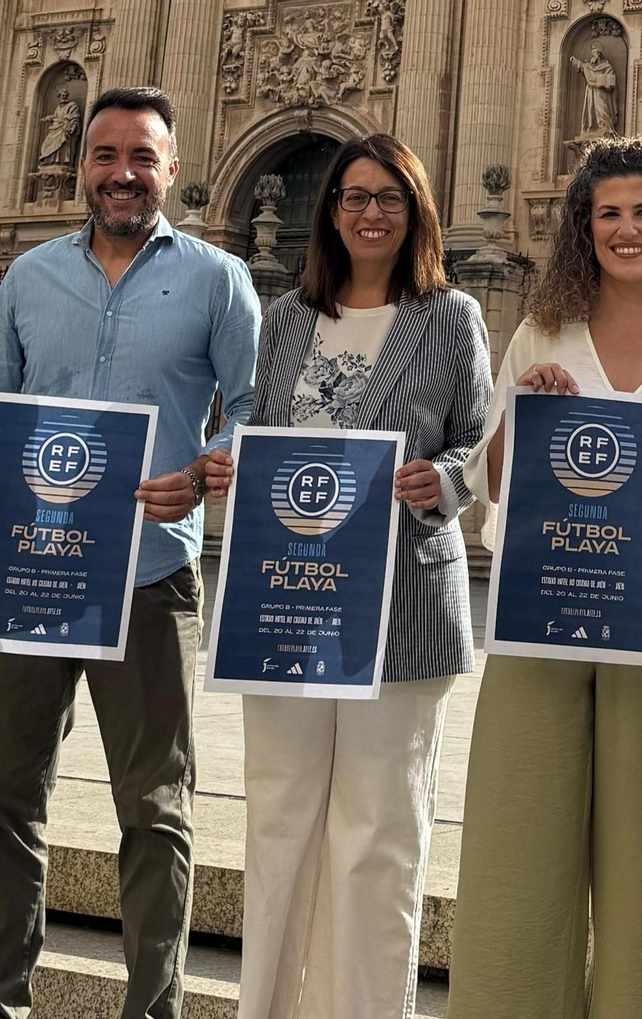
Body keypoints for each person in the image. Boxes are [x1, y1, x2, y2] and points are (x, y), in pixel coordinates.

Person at [0, 86, 261, 1019]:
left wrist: (204, 470)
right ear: (81, 166)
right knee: (5, 801)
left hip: (152, 575)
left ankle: (154, 1010)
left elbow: (256, 410)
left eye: (142, 157)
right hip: (26, 566)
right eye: (106, 154)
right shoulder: (31, 277)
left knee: (157, 811)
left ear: (172, 171)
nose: (123, 173)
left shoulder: (217, 279)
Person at [448, 135, 642, 1019]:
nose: (627, 230)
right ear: (582, 231)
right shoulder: (541, 333)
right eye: (607, 215)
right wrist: (526, 414)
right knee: (516, 844)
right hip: (541, 606)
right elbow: (491, 480)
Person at [235, 133, 492, 1019]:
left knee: (380, 832)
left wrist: (447, 480)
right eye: (352, 195)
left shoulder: (451, 316)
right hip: (287, 598)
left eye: (389, 196)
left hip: (404, 599)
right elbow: (260, 434)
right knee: (276, 819)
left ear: (415, 210)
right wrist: (233, 465)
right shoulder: (286, 320)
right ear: (329, 211)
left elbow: (481, 440)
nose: (370, 211)